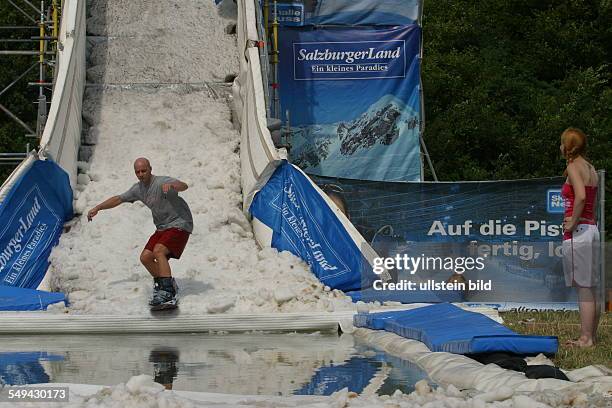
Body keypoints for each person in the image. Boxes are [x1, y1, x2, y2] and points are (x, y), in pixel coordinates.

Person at [87, 158, 193, 309]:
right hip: (163, 227)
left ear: (150, 169)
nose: (141, 174)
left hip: (180, 223)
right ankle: (166, 285)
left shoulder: (162, 182)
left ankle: (167, 292)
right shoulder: (138, 189)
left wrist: (173, 185)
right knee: (145, 257)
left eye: (144, 170)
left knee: (159, 251)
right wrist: (98, 207)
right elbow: (118, 199)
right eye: (138, 172)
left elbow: (184, 186)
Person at [560, 128, 600, 347]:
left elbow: (581, 197)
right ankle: (591, 335)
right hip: (591, 228)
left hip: (579, 232)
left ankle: (585, 338)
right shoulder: (591, 168)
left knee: (583, 286)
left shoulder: (573, 166)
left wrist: (574, 221)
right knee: (591, 286)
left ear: (567, 146)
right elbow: (590, 199)